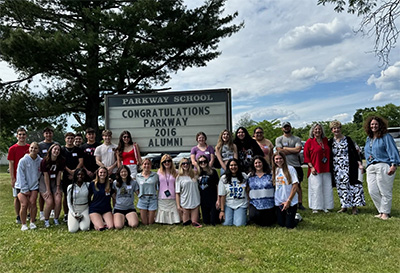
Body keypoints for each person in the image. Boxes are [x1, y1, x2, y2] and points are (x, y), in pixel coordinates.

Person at [364, 116, 400, 220]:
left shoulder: (386, 136)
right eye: (371, 124)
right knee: (372, 190)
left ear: (380, 125)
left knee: (385, 190)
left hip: (383, 164)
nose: (373, 126)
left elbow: (392, 150)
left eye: (375, 124)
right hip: (371, 166)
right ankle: (381, 210)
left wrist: (394, 164)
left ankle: (385, 213)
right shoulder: (369, 138)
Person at [328, 121, 366, 215]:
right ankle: (344, 206)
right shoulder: (330, 142)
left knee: (352, 186)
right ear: (332, 130)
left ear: (341, 129)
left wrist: (359, 164)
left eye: (338, 128)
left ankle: (354, 207)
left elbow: (355, 152)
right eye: (334, 128)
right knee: (341, 187)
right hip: (337, 168)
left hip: (349, 166)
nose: (336, 130)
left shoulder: (348, 139)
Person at [303, 123, 334, 213]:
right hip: (315, 168)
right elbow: (306, 156)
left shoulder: (325, 140)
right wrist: (311, 167)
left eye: (319, 129)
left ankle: (325, 206)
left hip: (326, 168)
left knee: (327, 187)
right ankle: (315, 207)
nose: (317, 131)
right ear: (312, 131)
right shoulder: (309, 141)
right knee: (316, 188)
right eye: (315, 129)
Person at [275, 121, 305, 210]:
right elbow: (280, 151)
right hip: (283, 165)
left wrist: (285, 149)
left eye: (288, 126)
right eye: (284, 127)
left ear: (290, 127)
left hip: (295, 164)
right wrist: (291, 150)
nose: (286, 128)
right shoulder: (279, 139)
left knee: (297, 184)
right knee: (284, 184)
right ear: (282, 129)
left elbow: (298, 150)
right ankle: (285, 200)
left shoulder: (296, 139)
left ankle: (300, 203)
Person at [15, 142, 42, 230]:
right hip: (21, 186)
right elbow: (20, 175)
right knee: (24, 204)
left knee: (33, 203)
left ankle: (32, 222)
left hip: (34, 186)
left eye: (35, 148)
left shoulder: (40, 161)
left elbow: (40, 173)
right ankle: (23, 224)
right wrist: (25, 188)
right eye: (31, 148)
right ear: (29, 148)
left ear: (38, 150)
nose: (33, 150)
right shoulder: (23, 161)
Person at [7, 127, 30, 224]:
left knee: (28, 196)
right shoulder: (12, 149)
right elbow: (11, 164)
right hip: (17, 177)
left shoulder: (29, 147)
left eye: (23, 134)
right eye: (20, 134)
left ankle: (28, 214)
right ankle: (18, 216)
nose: (22, 136)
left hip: (28, 176)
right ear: (17, 136)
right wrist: (13, 178)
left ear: (26, 136)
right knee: (17, 197)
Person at [39, 143, 66, 227]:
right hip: (45, 181)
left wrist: (58, 188)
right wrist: (48, 190)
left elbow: (59, 174)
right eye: (55, 149)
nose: (56, 151)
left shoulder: (61, 160)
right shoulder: (45, 161)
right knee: (49, 201)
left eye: (58, 150)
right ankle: (46, 220)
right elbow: (46, 175)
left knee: (58, 200)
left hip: (55, 181)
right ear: (51, 150)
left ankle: (56, 218)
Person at [272, 151, 299, 229]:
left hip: (290, 201)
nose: (278, 160)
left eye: (280, 158)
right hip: (279, 201)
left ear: (284, 159)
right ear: (274, 160)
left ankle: (297, 217)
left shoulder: (290, 169)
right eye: (276, 159)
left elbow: (295, 185)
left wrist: (289, 200)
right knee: (281, 224)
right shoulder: (275, 170)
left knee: (289, 226)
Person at [61, 132, 84, 223]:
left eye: (72, 138)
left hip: (77, 175)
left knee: (77, 194)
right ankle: (66, 214)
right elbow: (61, 162)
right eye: (68, 138)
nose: (70, 140)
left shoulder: (78, 150)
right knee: (66, 195)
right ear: (65, 139)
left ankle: (76, 212)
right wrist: (69, 171)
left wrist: (75, 172)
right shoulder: (62, 150)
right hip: (66, 175)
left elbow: (81, 162)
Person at [218, 158, 248, 226]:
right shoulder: (224, 178)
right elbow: (222, 195)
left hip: (241, 203)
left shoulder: (244, 176)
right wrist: (222, 211)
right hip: (228, 204)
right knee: (227, 223)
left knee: (239, 224)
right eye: (231, 165)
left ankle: (243, 217)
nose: (233, 167)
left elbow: (247, 190)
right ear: (228, 167)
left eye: (235, 165)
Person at [247, 155, 275, 226]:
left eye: (259, 162)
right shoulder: (250, 176)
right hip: (255, 203)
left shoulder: (270, 174)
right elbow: (247, 188)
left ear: (263, 163)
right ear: (253, 165)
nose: (258, 165)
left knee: (267, 223)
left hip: (269, 204)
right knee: (254, 217)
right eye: (256, 163)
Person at [176, 158, 202, 227]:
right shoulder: (179, 177)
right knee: (186, 223)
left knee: (194, 223)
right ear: (181, 165)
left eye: (187, 163)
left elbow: (200, 170)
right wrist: (178, 206)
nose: (185, 165)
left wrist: (196, 164)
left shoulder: (194, 174)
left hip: (195, 200)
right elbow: (177, 192)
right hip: (185, 201)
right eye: (183, 163)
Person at [155, 154, 181, 225]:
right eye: (164, 161)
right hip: (162, 197)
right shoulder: (159, 172)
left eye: (169, 161)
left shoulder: (176, 172)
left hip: (173, 197)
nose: (167, 163)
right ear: (162, 163)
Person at [38, 127, 56, 221]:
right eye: (46, 133)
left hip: (54, 172)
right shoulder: (40, 145)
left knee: (52, 192)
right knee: (42, 194)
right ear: (44, 134)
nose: (48, 135)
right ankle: (41, 212)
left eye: (50, 133)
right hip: (43, 173)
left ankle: (52, 210)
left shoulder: (55, 144)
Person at [197, 155, 220, 225]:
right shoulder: (197, 173)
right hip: (203, 200)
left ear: (207, 162)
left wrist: (218, 199)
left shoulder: (213, 172)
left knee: (214, 222)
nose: (203, 163)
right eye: (201, 162)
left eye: (205, 161)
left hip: (213, 199)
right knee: (206, 221)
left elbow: (218, 185)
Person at [67, 168, 91, 233]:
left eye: (82, 175)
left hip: (85, 208)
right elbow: (69, 202)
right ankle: (75, 220)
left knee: (84, 228)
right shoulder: (70, 187)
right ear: (75, 176)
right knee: (73, 230)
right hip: (75, 209)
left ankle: (84, 220)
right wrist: (73, 213)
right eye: (78, 174)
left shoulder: (88, 185)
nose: (80, 176)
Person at [136, 158, 158, 225]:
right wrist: (139, 194)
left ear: (151, 165)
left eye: (148, 164)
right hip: (143, 199)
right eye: (145, 164)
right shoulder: (138, 176)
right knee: (144, 223)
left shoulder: (155, 175)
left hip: (152, 199)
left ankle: (154, 216)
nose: (146, 166)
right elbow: (135, 187)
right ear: (142, 165)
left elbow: (158, 186)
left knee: (150, 223)